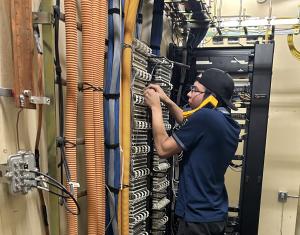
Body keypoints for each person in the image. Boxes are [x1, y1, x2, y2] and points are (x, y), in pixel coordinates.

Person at [143, 68, 240, 235]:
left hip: (197, 216)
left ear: (211, 98)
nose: (189, 94)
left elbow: (163, 148)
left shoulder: (206, 118)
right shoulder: (225, 122)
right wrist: (167, 100)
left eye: (195, 90)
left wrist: (155, 108)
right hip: (213, 213)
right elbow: (189, 121)